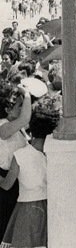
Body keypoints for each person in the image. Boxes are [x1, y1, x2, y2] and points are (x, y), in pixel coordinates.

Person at [0, 95, 59, 248]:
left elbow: (6, 185)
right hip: (48, 207)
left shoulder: (20, 155)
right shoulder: (53, 156)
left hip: (26, 209)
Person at [0, 81, 32, 239]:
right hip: (6, 183)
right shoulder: (3, 127)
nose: (22, 109)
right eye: (18, 106)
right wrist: (26, 94)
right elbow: (26, 117)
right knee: (5, 229)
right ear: (7, 110)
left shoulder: (14, 126)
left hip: (15, 181)